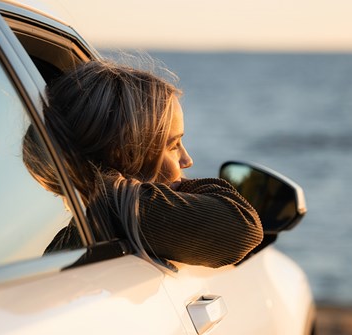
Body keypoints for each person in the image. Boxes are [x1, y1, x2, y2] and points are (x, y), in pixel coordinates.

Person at [22, 60, 263, 268]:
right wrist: (180, 190)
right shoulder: (118, 210)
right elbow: (244, 227)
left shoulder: (71, 237)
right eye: (172, 145)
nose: (187, 160)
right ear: (127, 155)